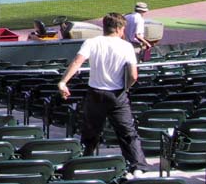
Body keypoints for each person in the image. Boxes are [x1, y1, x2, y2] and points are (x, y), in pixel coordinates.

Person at [57, 12, 149, 175]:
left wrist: (63, 82)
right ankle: (137, 166)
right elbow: (134, 75)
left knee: (90, 132)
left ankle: (84, 163)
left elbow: (77, 62)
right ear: (119, 28)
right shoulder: (126, 46)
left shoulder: (92, 42)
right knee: (128, 133)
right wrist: (126, 87)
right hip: (117, 94)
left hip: (95, 94)